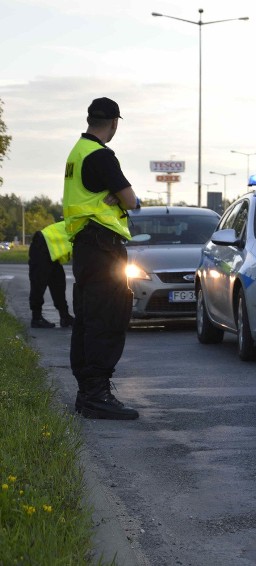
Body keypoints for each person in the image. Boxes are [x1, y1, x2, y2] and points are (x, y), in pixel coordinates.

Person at [63, 97, 141, 420]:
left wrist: (114, 197)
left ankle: (88, 391)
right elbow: (132, 200)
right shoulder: (101, 156)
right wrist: (120, 198)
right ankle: (96, 394)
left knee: (87, 316)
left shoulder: (76, 153)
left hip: (84, 246)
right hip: (103, 246)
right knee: (107, 316)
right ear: (113, 123)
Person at [28, 220, 75, 328]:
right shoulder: (84, 228)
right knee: (38, 283)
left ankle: (65, 317)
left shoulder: (83, 225)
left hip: (52, 252)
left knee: (59, 283)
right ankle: (36, 318)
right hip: (42, 245)